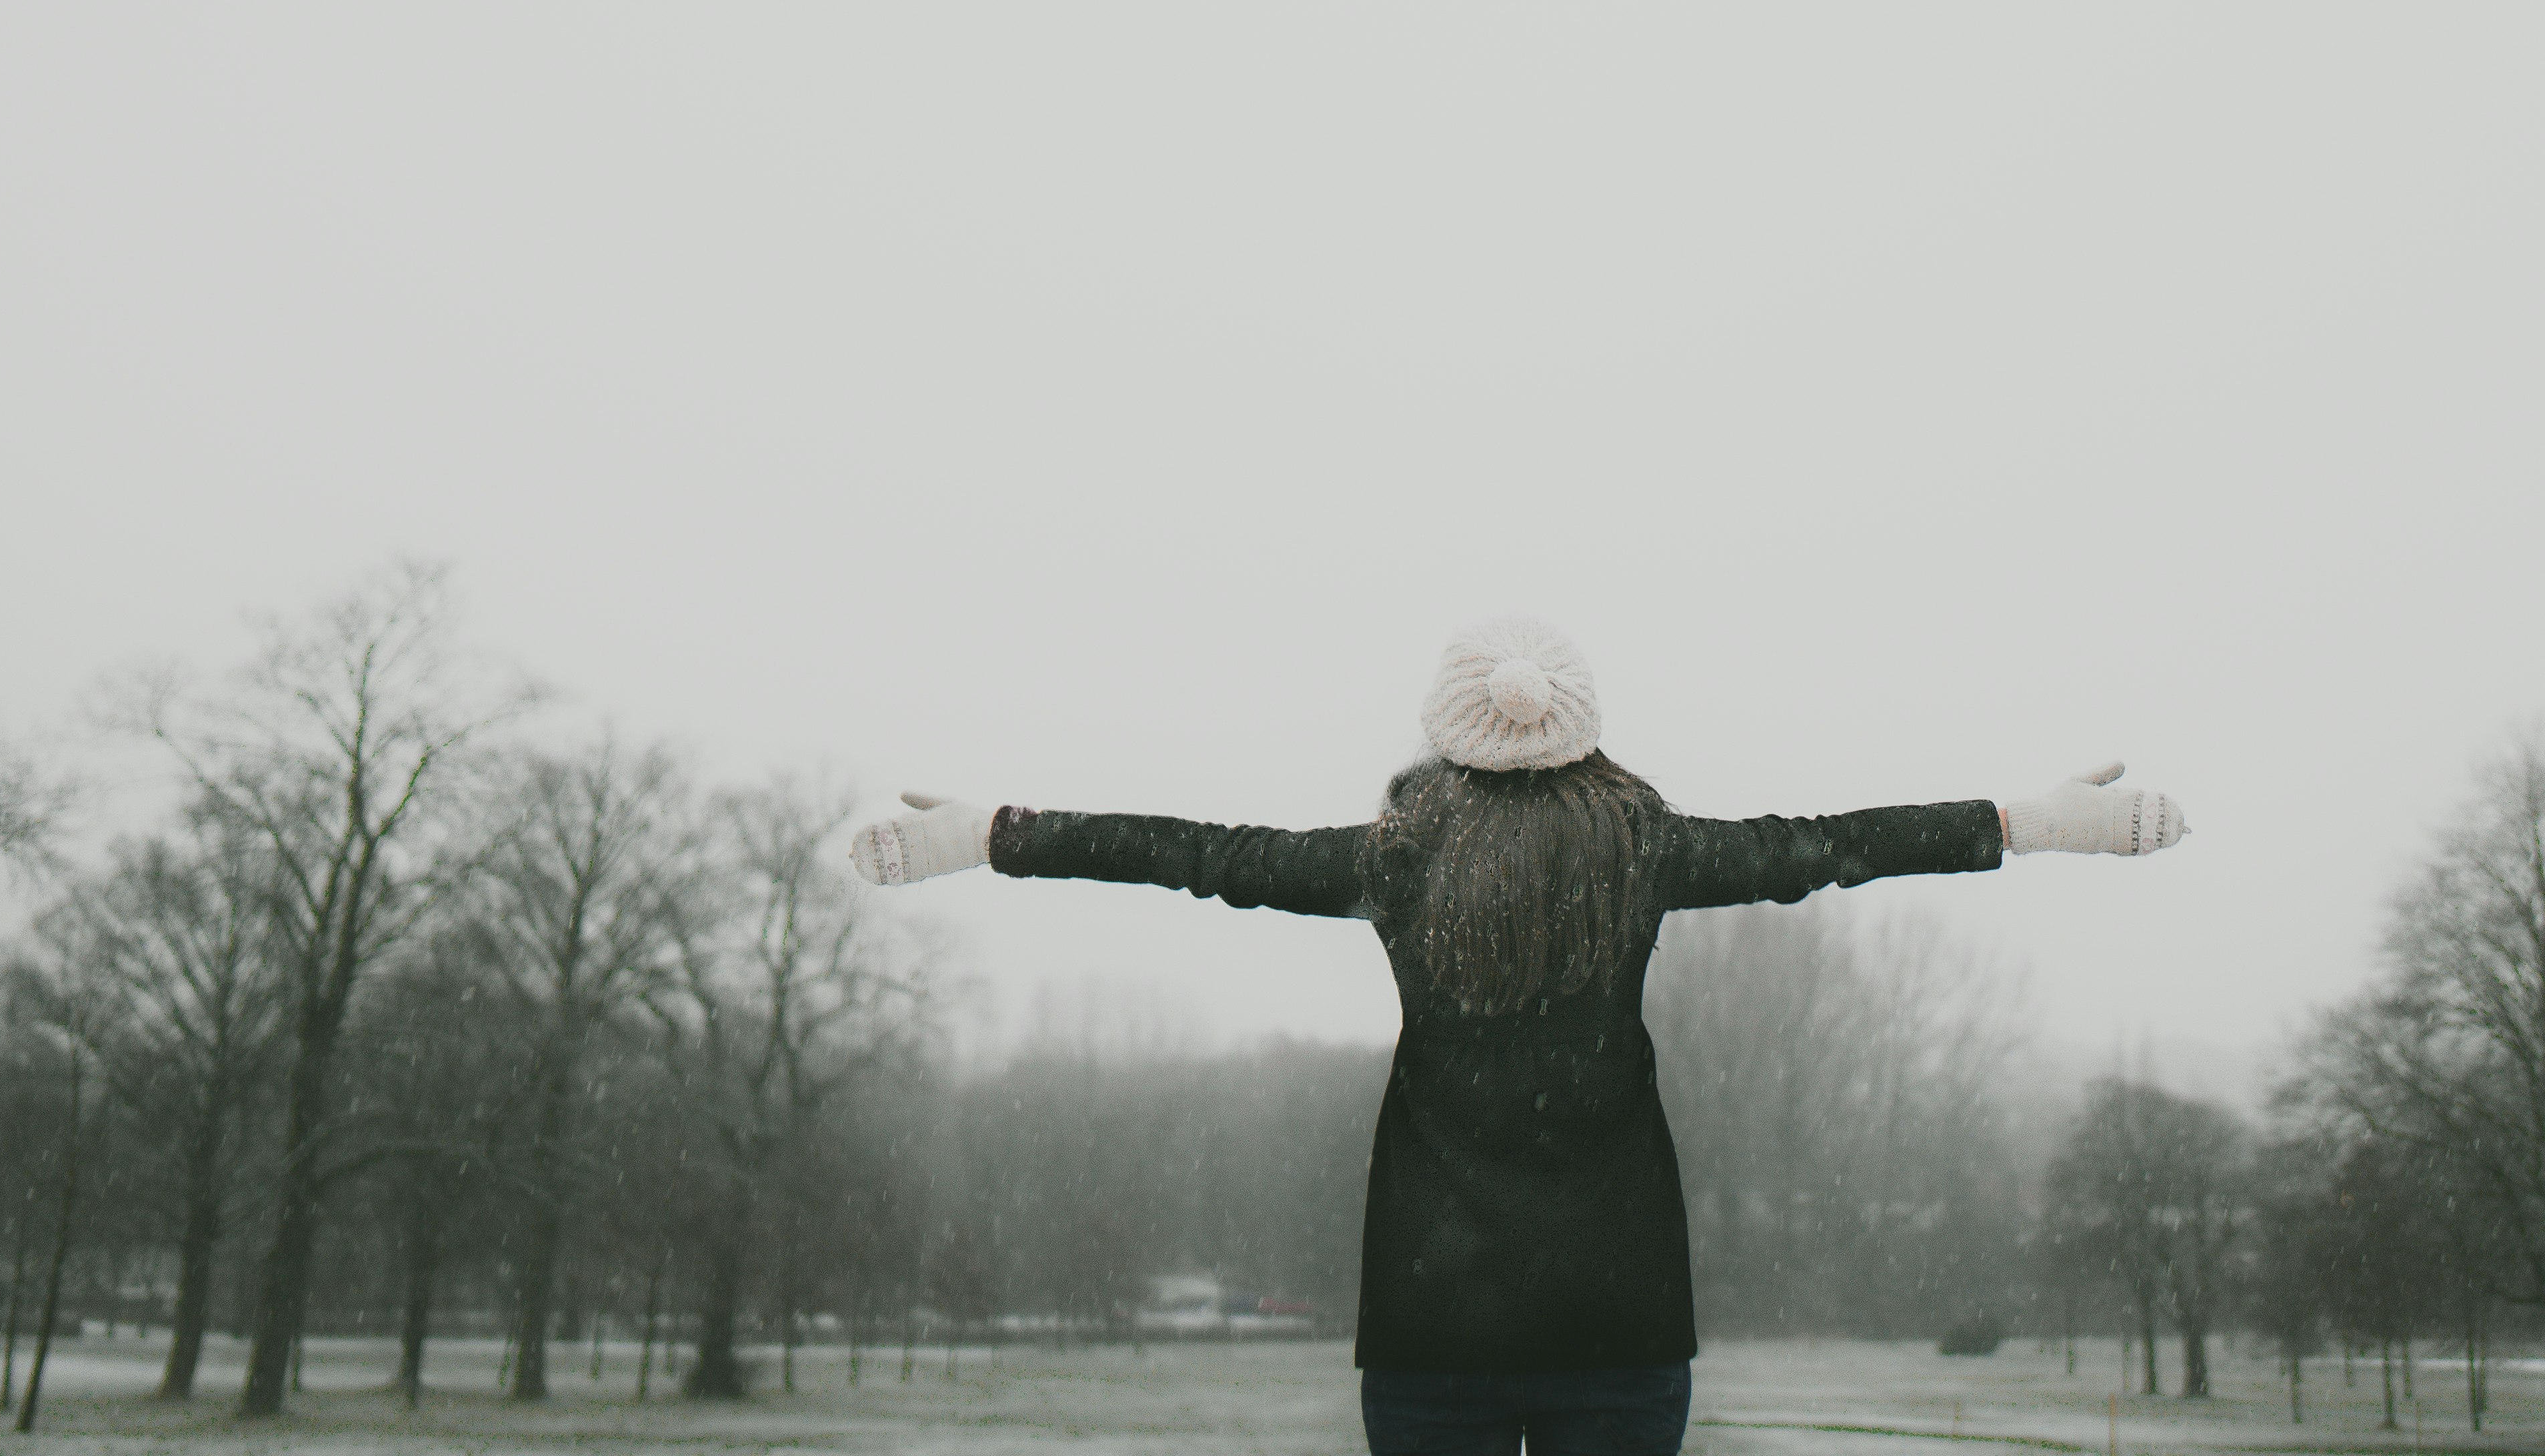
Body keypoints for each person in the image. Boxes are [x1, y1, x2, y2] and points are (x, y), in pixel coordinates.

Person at [845, 617, 2184, 1456]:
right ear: (1580, 729)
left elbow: (1194, 856)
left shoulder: (1398, 857)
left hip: (1435, 1325)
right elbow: (1825, 851)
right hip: (1624, 1312)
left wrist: (991, 836)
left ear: (1451, 733)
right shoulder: (1644, 845)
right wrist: (2029, 819)